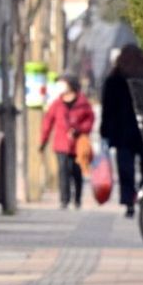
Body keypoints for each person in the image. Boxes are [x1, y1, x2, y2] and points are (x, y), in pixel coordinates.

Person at [101, 44, 143, 216]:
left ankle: (129, 201)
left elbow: (107, 109)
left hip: (122, 133)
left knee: (125, 169)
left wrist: (105, 132)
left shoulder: (114, 79)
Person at [40, 74, 95, 209]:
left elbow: (90, 120)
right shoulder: (57, 103)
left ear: (71, 84)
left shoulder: (83, 102)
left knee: (76, 171)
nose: (60, 86)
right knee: (63, 171)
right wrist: (43, 140)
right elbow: (48, 122)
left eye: (63, 83)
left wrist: (79, 129)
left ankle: (77, 199)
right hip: (61, 143)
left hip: (77, 144)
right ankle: (64, 200)